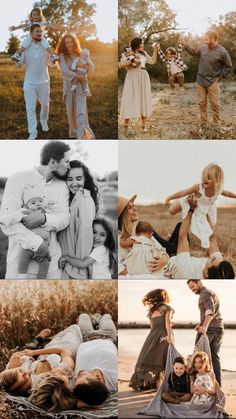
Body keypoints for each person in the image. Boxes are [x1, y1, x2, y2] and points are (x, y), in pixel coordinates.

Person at [0, 141, 70, 279]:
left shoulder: (62, 186)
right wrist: (37, 244)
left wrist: (43, 218)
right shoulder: (17, 179)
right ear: (53, 162)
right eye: (66, 161)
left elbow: (64, 219)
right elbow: (6, 222)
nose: (69, 166)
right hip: (19, 269)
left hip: (52, 267)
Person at [0, 324, 83, 403]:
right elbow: (63, 350)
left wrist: (27, 356)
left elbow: (11, 370)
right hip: (68, 346)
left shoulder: (17, 376)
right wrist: (33, 353)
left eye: (19, 370)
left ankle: (40, 338)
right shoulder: (57, 375)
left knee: (61, 333)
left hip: (50, 347)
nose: (26, 372)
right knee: (74, 328)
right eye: (24, 377)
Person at [165, 163, 236, 248]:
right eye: (203, 177)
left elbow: (228, 193)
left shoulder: (218, 190)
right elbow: (183, 192)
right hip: (189, 201)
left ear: (217, 181)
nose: (205, 179)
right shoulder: (198, 188)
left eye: (209, 178)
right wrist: (169, 198)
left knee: (206, 228)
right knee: (171, 211)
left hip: (201, 208)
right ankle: (175, 204)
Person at [162, 197, 235, 279]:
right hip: (181, 256)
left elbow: (183, 237)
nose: (214, 257)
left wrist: (191, 209)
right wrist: (205, 209)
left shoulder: (187, 272)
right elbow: (212, 239)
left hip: (172, 257)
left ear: (206, 273)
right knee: (179, 226)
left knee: (147, 229)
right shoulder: (220, 270)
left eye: (212, 260)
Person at [182, 31, 232, 134]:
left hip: (213, 81)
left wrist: (221, 76)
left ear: (214, 39)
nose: (205, 41)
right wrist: (185, 45)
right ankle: (203, 125)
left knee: (215, 104)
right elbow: (193, 52)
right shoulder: (202, 47)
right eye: (204, 39)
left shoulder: (223, 52)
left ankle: (216, 126)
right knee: (202, 104)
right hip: (200, 80)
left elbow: (229, 66)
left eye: (207, 39)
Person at [118, 195, 181, 275]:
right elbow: (120, 269)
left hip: (160, 266)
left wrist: (164, 258)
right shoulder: (118, 240)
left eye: (133, 206)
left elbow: (161, 248)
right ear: (122, 216)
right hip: (146, 272)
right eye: (130, 208)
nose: (135, 208)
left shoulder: (139, 228)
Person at [0, 185, 52, 279]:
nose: (38, 204)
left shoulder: (46, 213)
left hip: (44, 244)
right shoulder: (25, 212)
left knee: (46, 262)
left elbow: (51, 223)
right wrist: (4, 220)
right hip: (29, 246)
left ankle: (41, 280)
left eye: (40, 201)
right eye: (33, 202)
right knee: (23, 260)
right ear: (27, 205)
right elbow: (13, 217)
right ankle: (21, 277)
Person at [58, 160, 98, 279]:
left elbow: (85, 238)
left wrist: (77, 271)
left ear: (85, 179)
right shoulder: (73, 199)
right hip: (66, 263)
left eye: (79, 178)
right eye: (70, 179)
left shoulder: (84, 200)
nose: (74, 183)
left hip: (74, 269)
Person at [15, 24, 56, 140]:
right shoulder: (25, 47)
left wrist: (54, 59)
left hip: (44, 81)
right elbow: (19, 64)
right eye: (37, 31)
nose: (39, 33)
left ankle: (43, 121)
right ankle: (33, 131)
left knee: (45, 105)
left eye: (40, 32)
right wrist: (17, 60)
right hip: (29, 83)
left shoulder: (45, 47)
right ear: (31, 33)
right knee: (30, 108)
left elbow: (51, 64)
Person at [129, 289, 174, 391]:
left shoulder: (152, 311)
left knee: (150, 358)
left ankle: (146, 383)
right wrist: (169, 336)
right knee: (164, 360)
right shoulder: (166, 308)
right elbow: (168, 322)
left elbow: (153, 326)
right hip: (164, 335)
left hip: (152, 336)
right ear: (164, 298)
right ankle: (162, 385)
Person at [73, 313, 117, 408]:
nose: (75, 376)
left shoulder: (82, 387)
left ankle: (94, 320)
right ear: (98, 377)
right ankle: (97, 319)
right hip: (107, 335)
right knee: (106, 316)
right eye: (81, 375)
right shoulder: (114, 381)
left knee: (83, 316)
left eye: (76, 379)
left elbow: (77, 402)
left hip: (86, 337)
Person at [187, 280, 224, 386]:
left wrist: (205, 326)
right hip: (218, 328)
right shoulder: (210, 293)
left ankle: (195, 386)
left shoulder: (205, 294)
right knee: (213, 357)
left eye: (193, 286)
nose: (192, 289)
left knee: (197, 357)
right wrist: (201, 323)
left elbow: (210, 311)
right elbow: (213, 313)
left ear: (199, 282)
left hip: (211, 330)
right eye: (190, 288)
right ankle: (217, 386)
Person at [58, 34, 95, 139]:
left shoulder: (80, 53)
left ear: (75, 42)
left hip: (81, 85)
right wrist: (76, 76)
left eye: (71, 42)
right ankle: (74, 133)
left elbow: (89, 68)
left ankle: (83, 135)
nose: (69, 44)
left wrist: (87, 66)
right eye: (67, 43)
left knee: (81, 111)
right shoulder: (62, 56)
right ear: (64, 45)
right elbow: (64, 70)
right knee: (71, 111)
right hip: (69, 85)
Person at [119, 37, 158, 132]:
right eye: (141, 44)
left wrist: (155, 51)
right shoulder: (126, 53)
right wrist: (132, 59)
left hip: (143, 76)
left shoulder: (143, 53)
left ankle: (144, 125)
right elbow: (122, 64)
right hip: (131, 77)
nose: (143, 45)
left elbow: (152, 61)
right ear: (136, 44)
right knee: (129, 98)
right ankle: (125, 125)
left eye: (143, 44)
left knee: (143, 99)